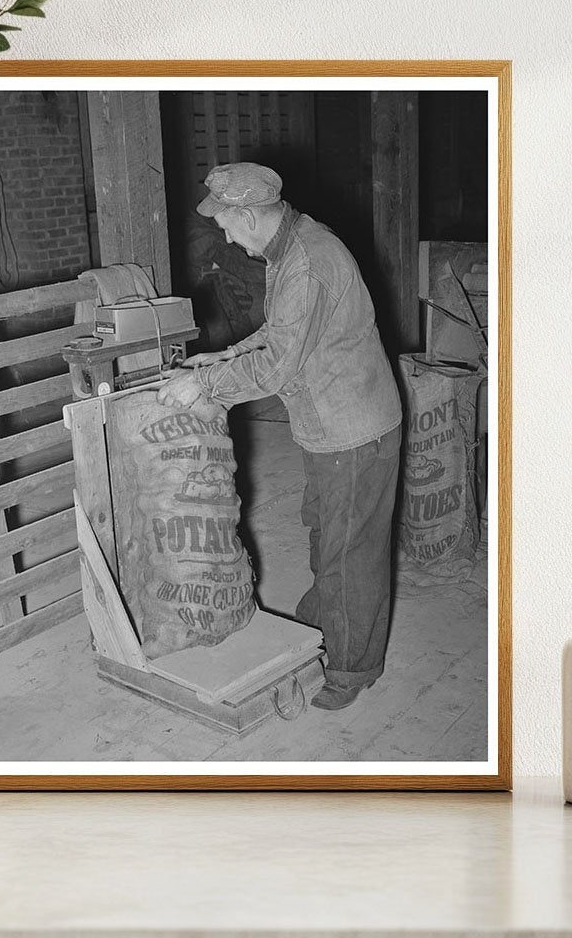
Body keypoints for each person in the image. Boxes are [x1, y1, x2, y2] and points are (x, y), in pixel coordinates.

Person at [157, 162, 403, 710]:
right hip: (331, 426)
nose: (224, 235)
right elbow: (281, 333)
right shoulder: (292, 248)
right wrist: (221, 356)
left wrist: (204, 385)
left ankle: (351, 667)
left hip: (352, 431)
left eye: (225, 224)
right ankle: (326, 628)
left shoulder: (307, 264)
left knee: (348, 554)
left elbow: (275, 369)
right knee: (325, 534)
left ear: (248, 214)